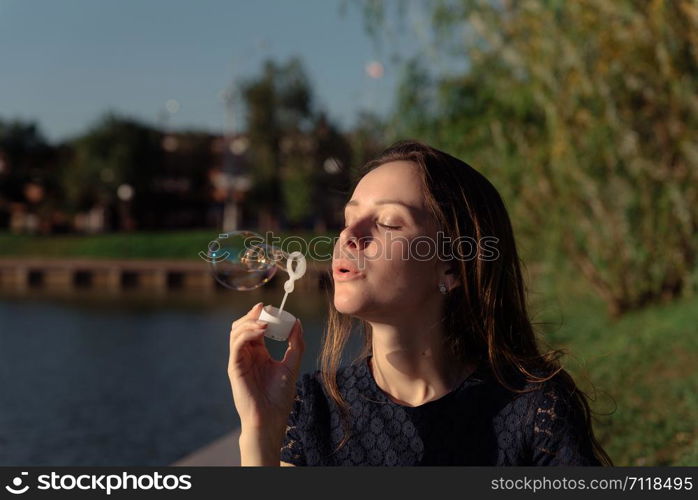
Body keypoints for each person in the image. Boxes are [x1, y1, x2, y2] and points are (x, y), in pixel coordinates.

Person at [228, 140, 613, 466]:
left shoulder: (535, 411)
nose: (349, 235)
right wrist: (260, 432)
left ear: (452, 269)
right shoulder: (311, 408)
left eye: (390, 223)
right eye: (349, 218)